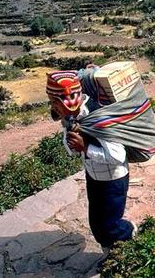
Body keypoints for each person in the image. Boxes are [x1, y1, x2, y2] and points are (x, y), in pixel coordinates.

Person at [46, 70, 136, 251]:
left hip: (113, 179)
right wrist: (71, 143)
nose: (54, 108)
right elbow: (70, 144)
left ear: (67, 100)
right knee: (97, 223)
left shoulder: (99, 116)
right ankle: (110, 251)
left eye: (55, 102)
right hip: (94, 175)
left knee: (110, 225)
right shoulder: (72, 115)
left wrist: (85, 147)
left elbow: (117, 157)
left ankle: (129, 234)